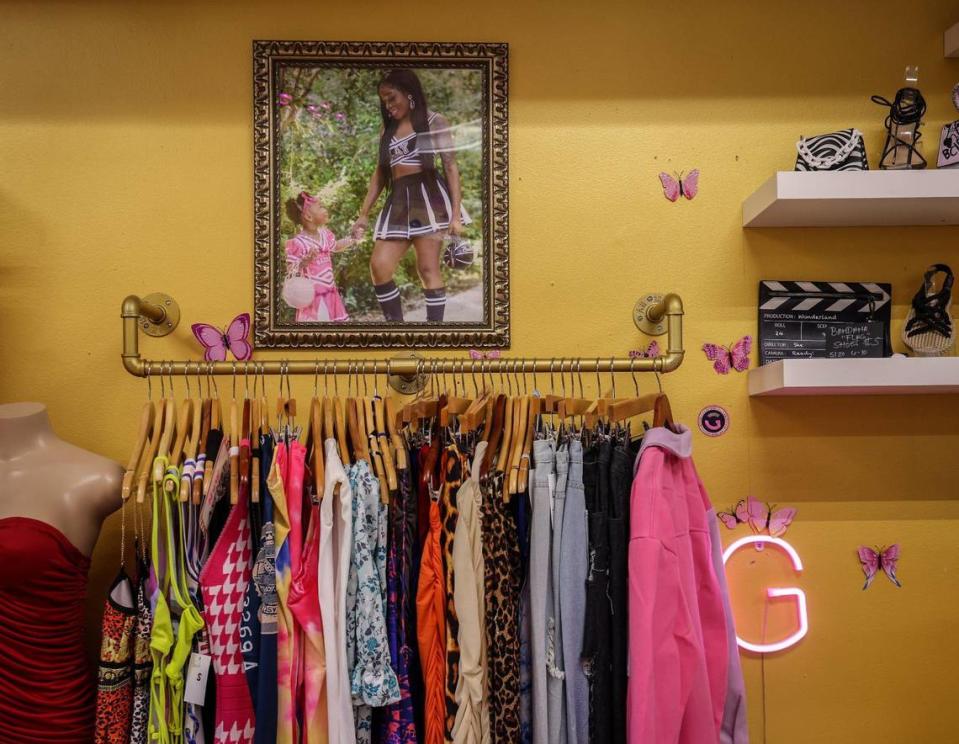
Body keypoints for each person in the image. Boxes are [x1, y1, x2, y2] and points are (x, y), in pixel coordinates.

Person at [353, 69, 471, 322]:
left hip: (428, 199)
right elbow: (380, 174)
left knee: (428, 269)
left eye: (392, 98)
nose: (389, 105)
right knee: (380, 267)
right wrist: (363, 214)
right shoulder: (387, 129)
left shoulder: (434, 121)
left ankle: (432, 334)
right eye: (385, 101)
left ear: (409, 93)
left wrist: (455, 216)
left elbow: (450, 166)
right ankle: (397, 329)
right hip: (398, 201)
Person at [285, 191, 353, 322]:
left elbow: (336, 246)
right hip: (313, 299)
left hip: (331, 294)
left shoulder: (325, 234)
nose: (325, 209)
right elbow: (290, 269)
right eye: (320, 207)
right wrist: (304, 262)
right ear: (309, 217)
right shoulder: (298, 243)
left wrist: (352, 239)